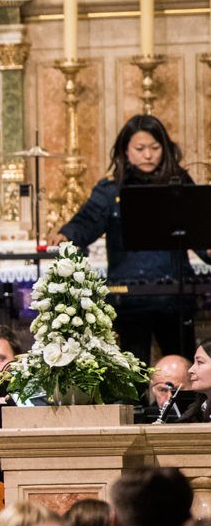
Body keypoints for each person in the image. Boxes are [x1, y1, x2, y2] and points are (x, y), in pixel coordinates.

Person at [55, 114, 209, 361]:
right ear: (125, 152)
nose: (148, 155)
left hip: (174, 296)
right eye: (140, 148)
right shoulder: (110, 190)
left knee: (181, 367)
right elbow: (86, 222)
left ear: (165, 150)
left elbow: (198, 228)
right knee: (131, 372)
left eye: (154, 148)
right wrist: (67, 235)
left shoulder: (178, 183)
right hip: (129, 297)